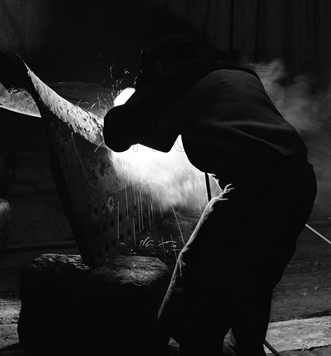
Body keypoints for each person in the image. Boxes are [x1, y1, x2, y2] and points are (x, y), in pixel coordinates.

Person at [103, 35, 317, 356]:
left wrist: (141, 93)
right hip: (299, 183)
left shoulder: (180, 81)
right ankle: (246, 349)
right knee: (254, 280)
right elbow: (164, 137)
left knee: (197, 271)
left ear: (161, 67)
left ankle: (189, 346)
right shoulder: (236, 75)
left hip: (257, 188)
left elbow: (117, 133)